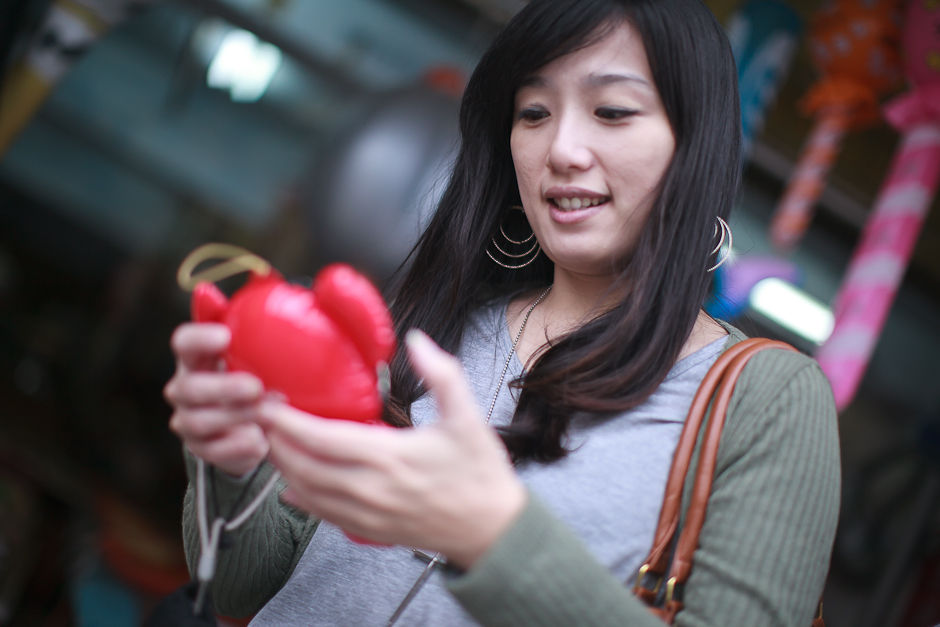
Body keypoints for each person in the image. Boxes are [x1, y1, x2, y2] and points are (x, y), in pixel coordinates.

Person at [164, 0, 841, 625]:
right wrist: (234, 463)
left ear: (694, 146)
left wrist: (494, 538)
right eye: (534, 112)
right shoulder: (428, 319)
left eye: (612, 111)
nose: (562, 150)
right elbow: (238, 587)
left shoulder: (767, 399)